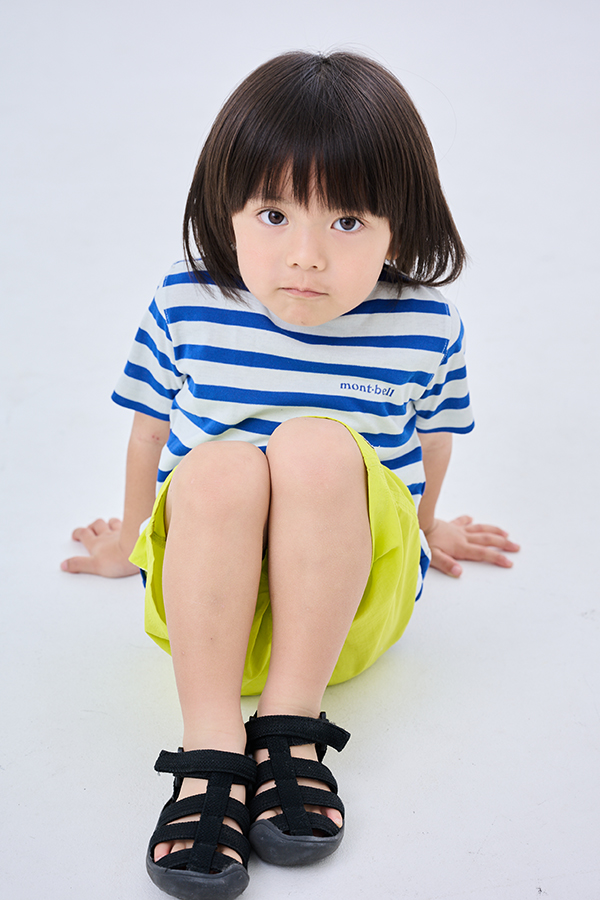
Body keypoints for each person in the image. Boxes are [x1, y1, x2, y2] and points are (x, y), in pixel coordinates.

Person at [62, 50, 519, 900]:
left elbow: (432, 444)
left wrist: (426, 527)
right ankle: (211, 745)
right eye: (273, 215)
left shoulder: (423, 325)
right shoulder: (187, 302)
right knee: (221, 465)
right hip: (206, 614)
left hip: (346, 617)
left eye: (346, 222)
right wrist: (129, 538)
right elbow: (148, 432)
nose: (305, 256)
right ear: (227, 212)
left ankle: (291, 724)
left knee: (314, 446)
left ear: (398, 226)